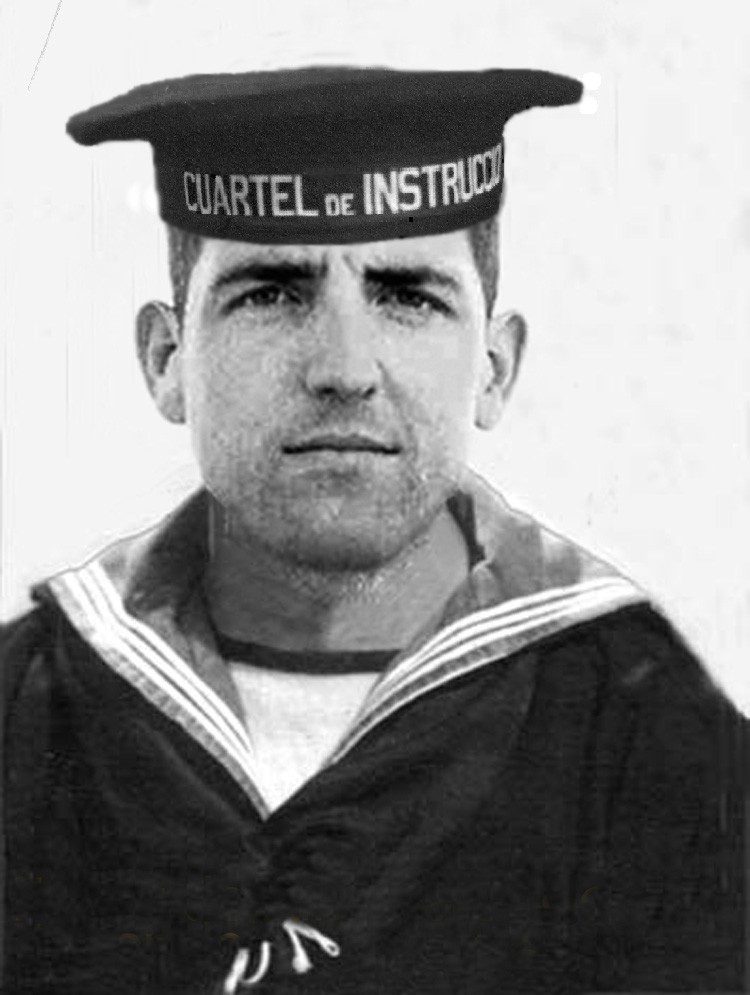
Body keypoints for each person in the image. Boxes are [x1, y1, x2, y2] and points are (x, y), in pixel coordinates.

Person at [1, 66, 746, 995]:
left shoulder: (658, 741)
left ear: (495, 368)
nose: (345, 369)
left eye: (408, 297)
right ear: (166, 358)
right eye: (271, 294)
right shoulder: (22, 710)